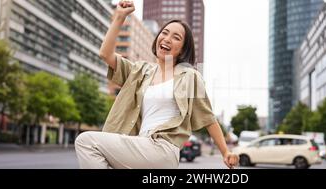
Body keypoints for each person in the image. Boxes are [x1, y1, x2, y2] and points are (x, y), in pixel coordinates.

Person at [74, 1, 239, 169]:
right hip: (141, 145)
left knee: (86, 142)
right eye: (164, 33)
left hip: (163, 149)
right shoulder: (140, 71)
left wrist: (225, 152)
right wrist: (119, 17)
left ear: (182, 49)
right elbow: (105, 54)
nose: (167, 39)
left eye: (176, 37)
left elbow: (208, 118)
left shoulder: (189, 76)